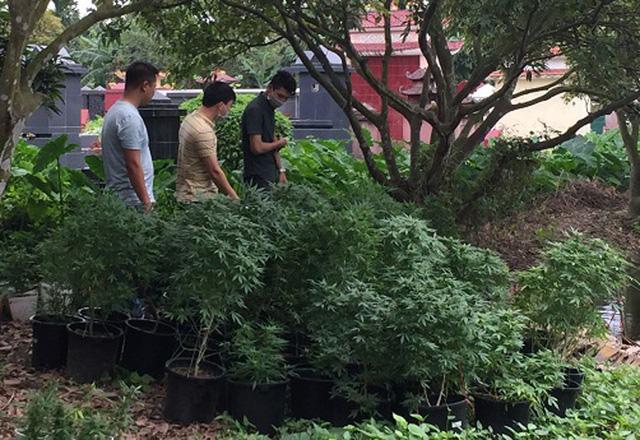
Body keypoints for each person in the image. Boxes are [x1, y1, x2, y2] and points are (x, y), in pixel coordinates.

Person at [101, 61, 158, 212]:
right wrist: (146, 203)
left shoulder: (115, 111)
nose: (153, 93)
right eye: (153, 87)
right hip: (132, 201)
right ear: (145, 85)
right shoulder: (128, 117)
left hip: (124, 199)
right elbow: (133, 164)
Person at [176, 81, 239, 202]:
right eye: (229, 106)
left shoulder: (190, 119)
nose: (229, 110)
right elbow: (215, 171)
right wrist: (234, 198)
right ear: (221, 106)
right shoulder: (203, 131)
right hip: (199, 197)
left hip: (186, 193)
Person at [241, 70, 297, 190]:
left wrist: (281, 171)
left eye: (286, 98)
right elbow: (257, 147)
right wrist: (279, 143)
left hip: (270, 173)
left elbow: (272, 141)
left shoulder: (269, 108)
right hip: (257, 176)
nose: (282, 101)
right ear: (270, 88)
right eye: (280, 96)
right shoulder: (255, 109)